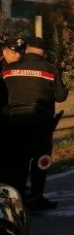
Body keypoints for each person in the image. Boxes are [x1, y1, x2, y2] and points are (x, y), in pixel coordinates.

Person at [2, 36, 69, 209]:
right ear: (44, 52)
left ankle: (18, 199)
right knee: (41, 159)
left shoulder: (8, 69)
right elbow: (61, 96)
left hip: (15, 120)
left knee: (18, 160)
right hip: (41, 120)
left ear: (26, 49)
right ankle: (37, 197)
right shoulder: (51, 69)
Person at [0, 37, 27, 189]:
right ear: (4, 51)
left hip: (15, 120)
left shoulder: (23, 68)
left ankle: (16, 187)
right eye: (14, 52)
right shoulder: (2, 69)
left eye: (21, 52)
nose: (17, 56)